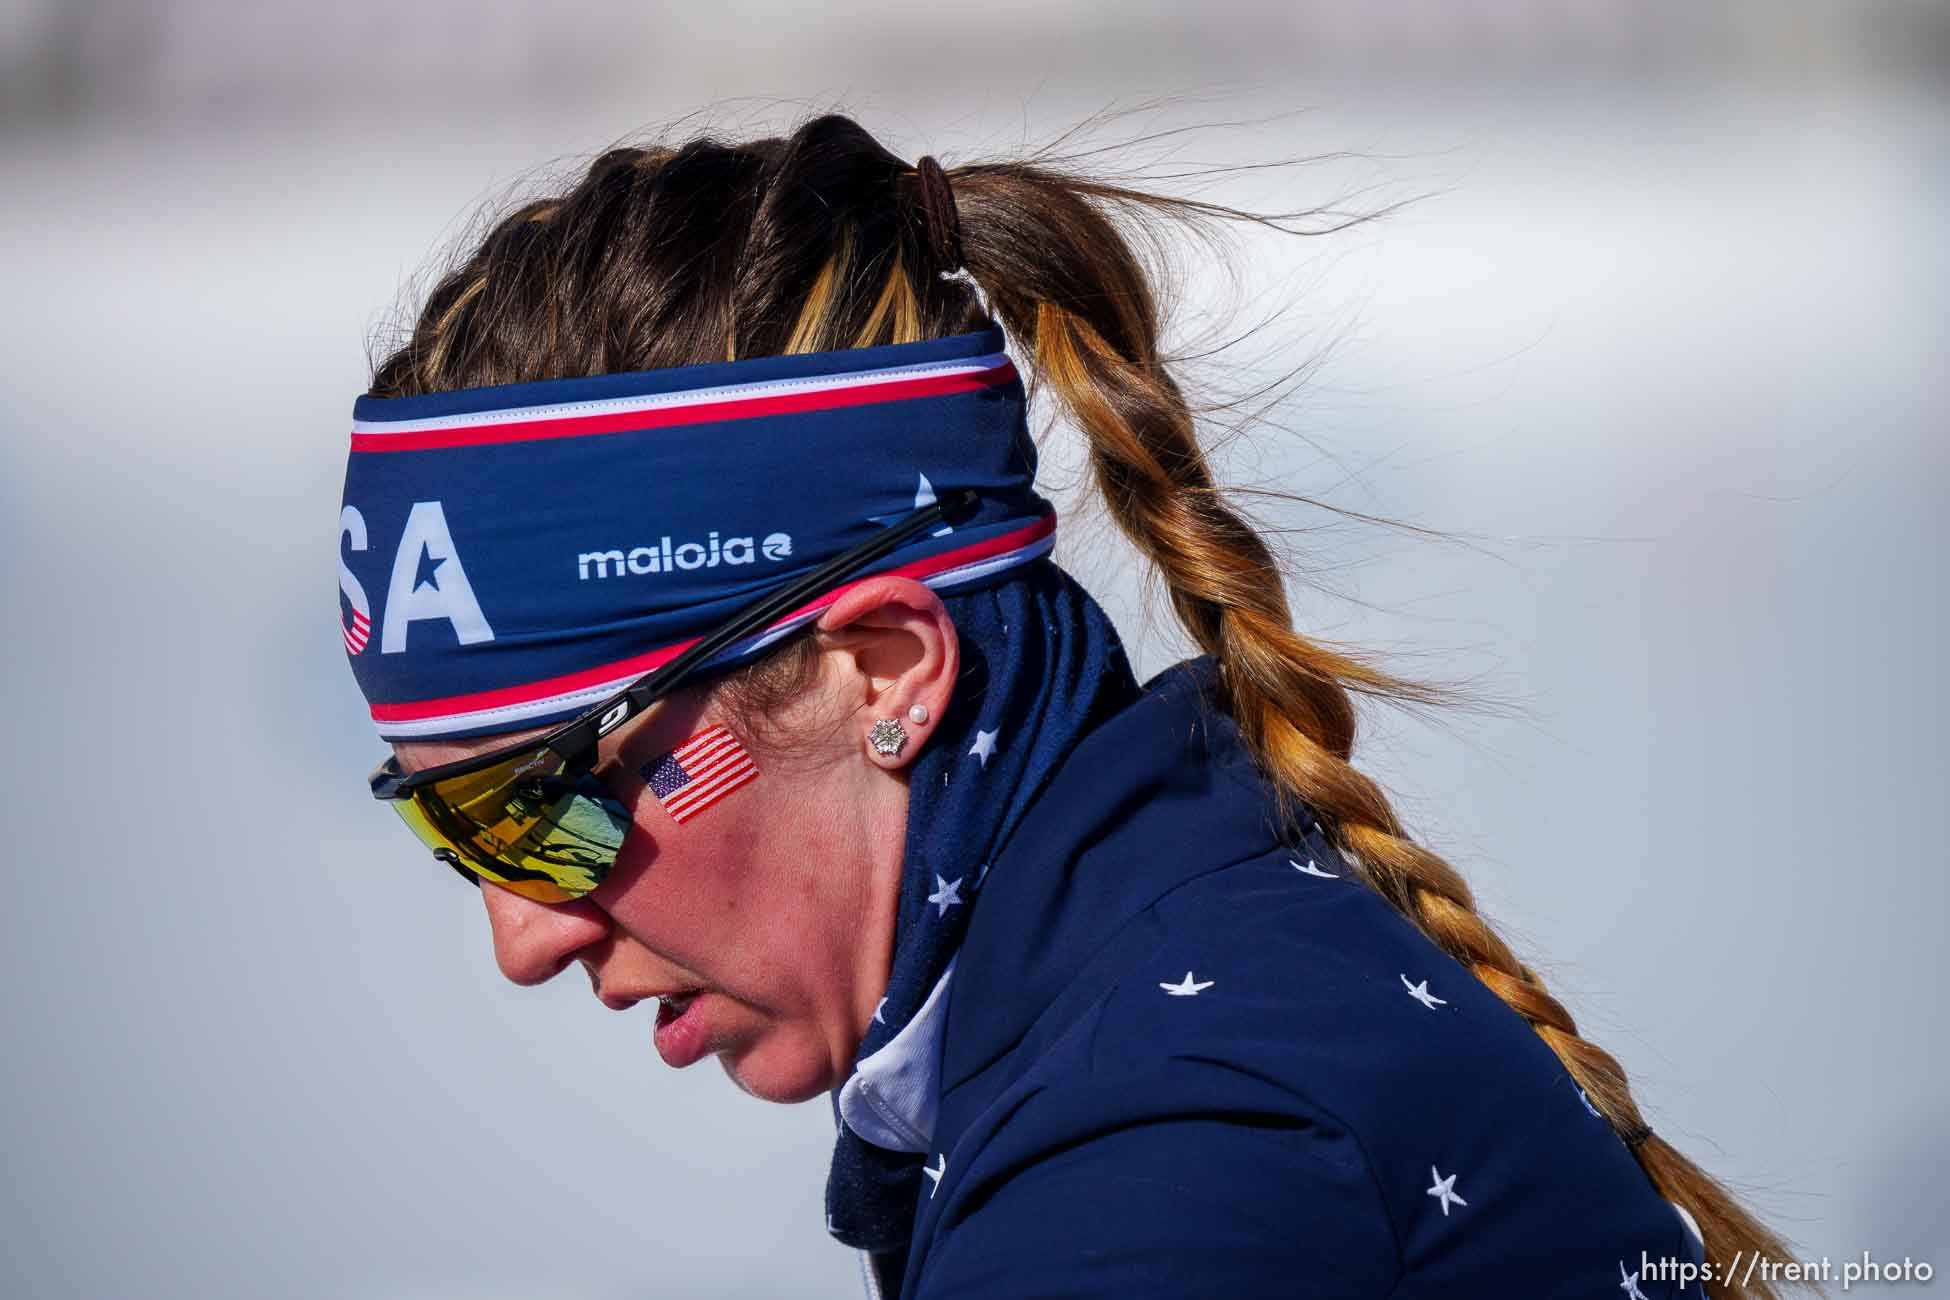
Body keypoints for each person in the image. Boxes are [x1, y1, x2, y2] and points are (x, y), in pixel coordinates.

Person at [337, 112, 1791, 1298]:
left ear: (886, 673)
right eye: (446, 825)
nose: (523, 935)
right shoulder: (1148, 1007)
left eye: (535, 809)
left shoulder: (1163, 1158)